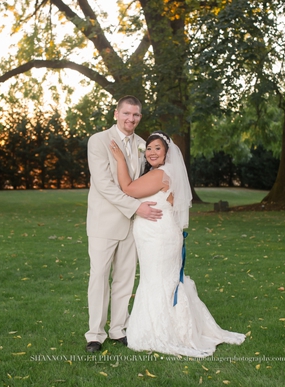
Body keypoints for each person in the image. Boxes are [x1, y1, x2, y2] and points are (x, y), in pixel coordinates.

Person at [109, 131, 245, 357]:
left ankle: (166, 332)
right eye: (149, 148)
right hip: (157, 236)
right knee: (160, 280)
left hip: (159, 238)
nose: (151, 152)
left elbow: (129, 189)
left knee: (158, 281)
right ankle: (172, 326)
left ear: (167, 152)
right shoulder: (162, 173)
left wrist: (120, 160)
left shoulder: (162, 173)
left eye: (157, 148)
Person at [84, 95, 163, 353]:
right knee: (99, 277)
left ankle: (118, 329)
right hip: (104, 222)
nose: (131, 119)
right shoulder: (98, 141)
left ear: (140, 117)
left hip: (133, 224)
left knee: (125, 279)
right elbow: (104, 185)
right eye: (127, 113)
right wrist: (135, 206)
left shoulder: (143, 145)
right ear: (116, 113)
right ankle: (95, 334)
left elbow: (144, 182)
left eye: (136, 115)